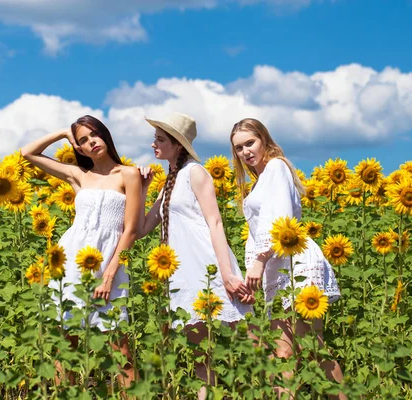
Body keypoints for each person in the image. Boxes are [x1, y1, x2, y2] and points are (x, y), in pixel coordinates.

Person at [137, 112, 254, 396]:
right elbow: (142, 228)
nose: (154, 144)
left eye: (160, 139)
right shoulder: (169, 182)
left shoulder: (194, 172)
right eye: (155, 138)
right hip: (184, 274)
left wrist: (226, 273)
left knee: (250, 343)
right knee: (201, 352)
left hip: (207, 267)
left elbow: (214, 222)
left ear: (178, 144)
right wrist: (143, 189)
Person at [20, 115, 140, 387]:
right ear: (78, 147)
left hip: (109, 263)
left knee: (119, 350)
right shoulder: (78, 175)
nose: (91, 142)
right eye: (83, 140)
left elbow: (131, 230)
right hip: (72, 261)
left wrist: (109, 275)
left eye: (94, 135)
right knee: (67, 346)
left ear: (105, 135)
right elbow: (27, 153)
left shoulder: (128, 174)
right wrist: (64, 133)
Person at [230, 117, 345, 398]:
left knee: (308, 347)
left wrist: (259, 261)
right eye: (238, 148)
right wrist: (253, 269)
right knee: (283, 352)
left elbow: (281, 223)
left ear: (264, 140)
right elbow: (256, 233)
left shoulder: (276, 168)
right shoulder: (260, 180)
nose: (245, 152)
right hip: (277, 267)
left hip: (295, 264)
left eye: (250, 143)